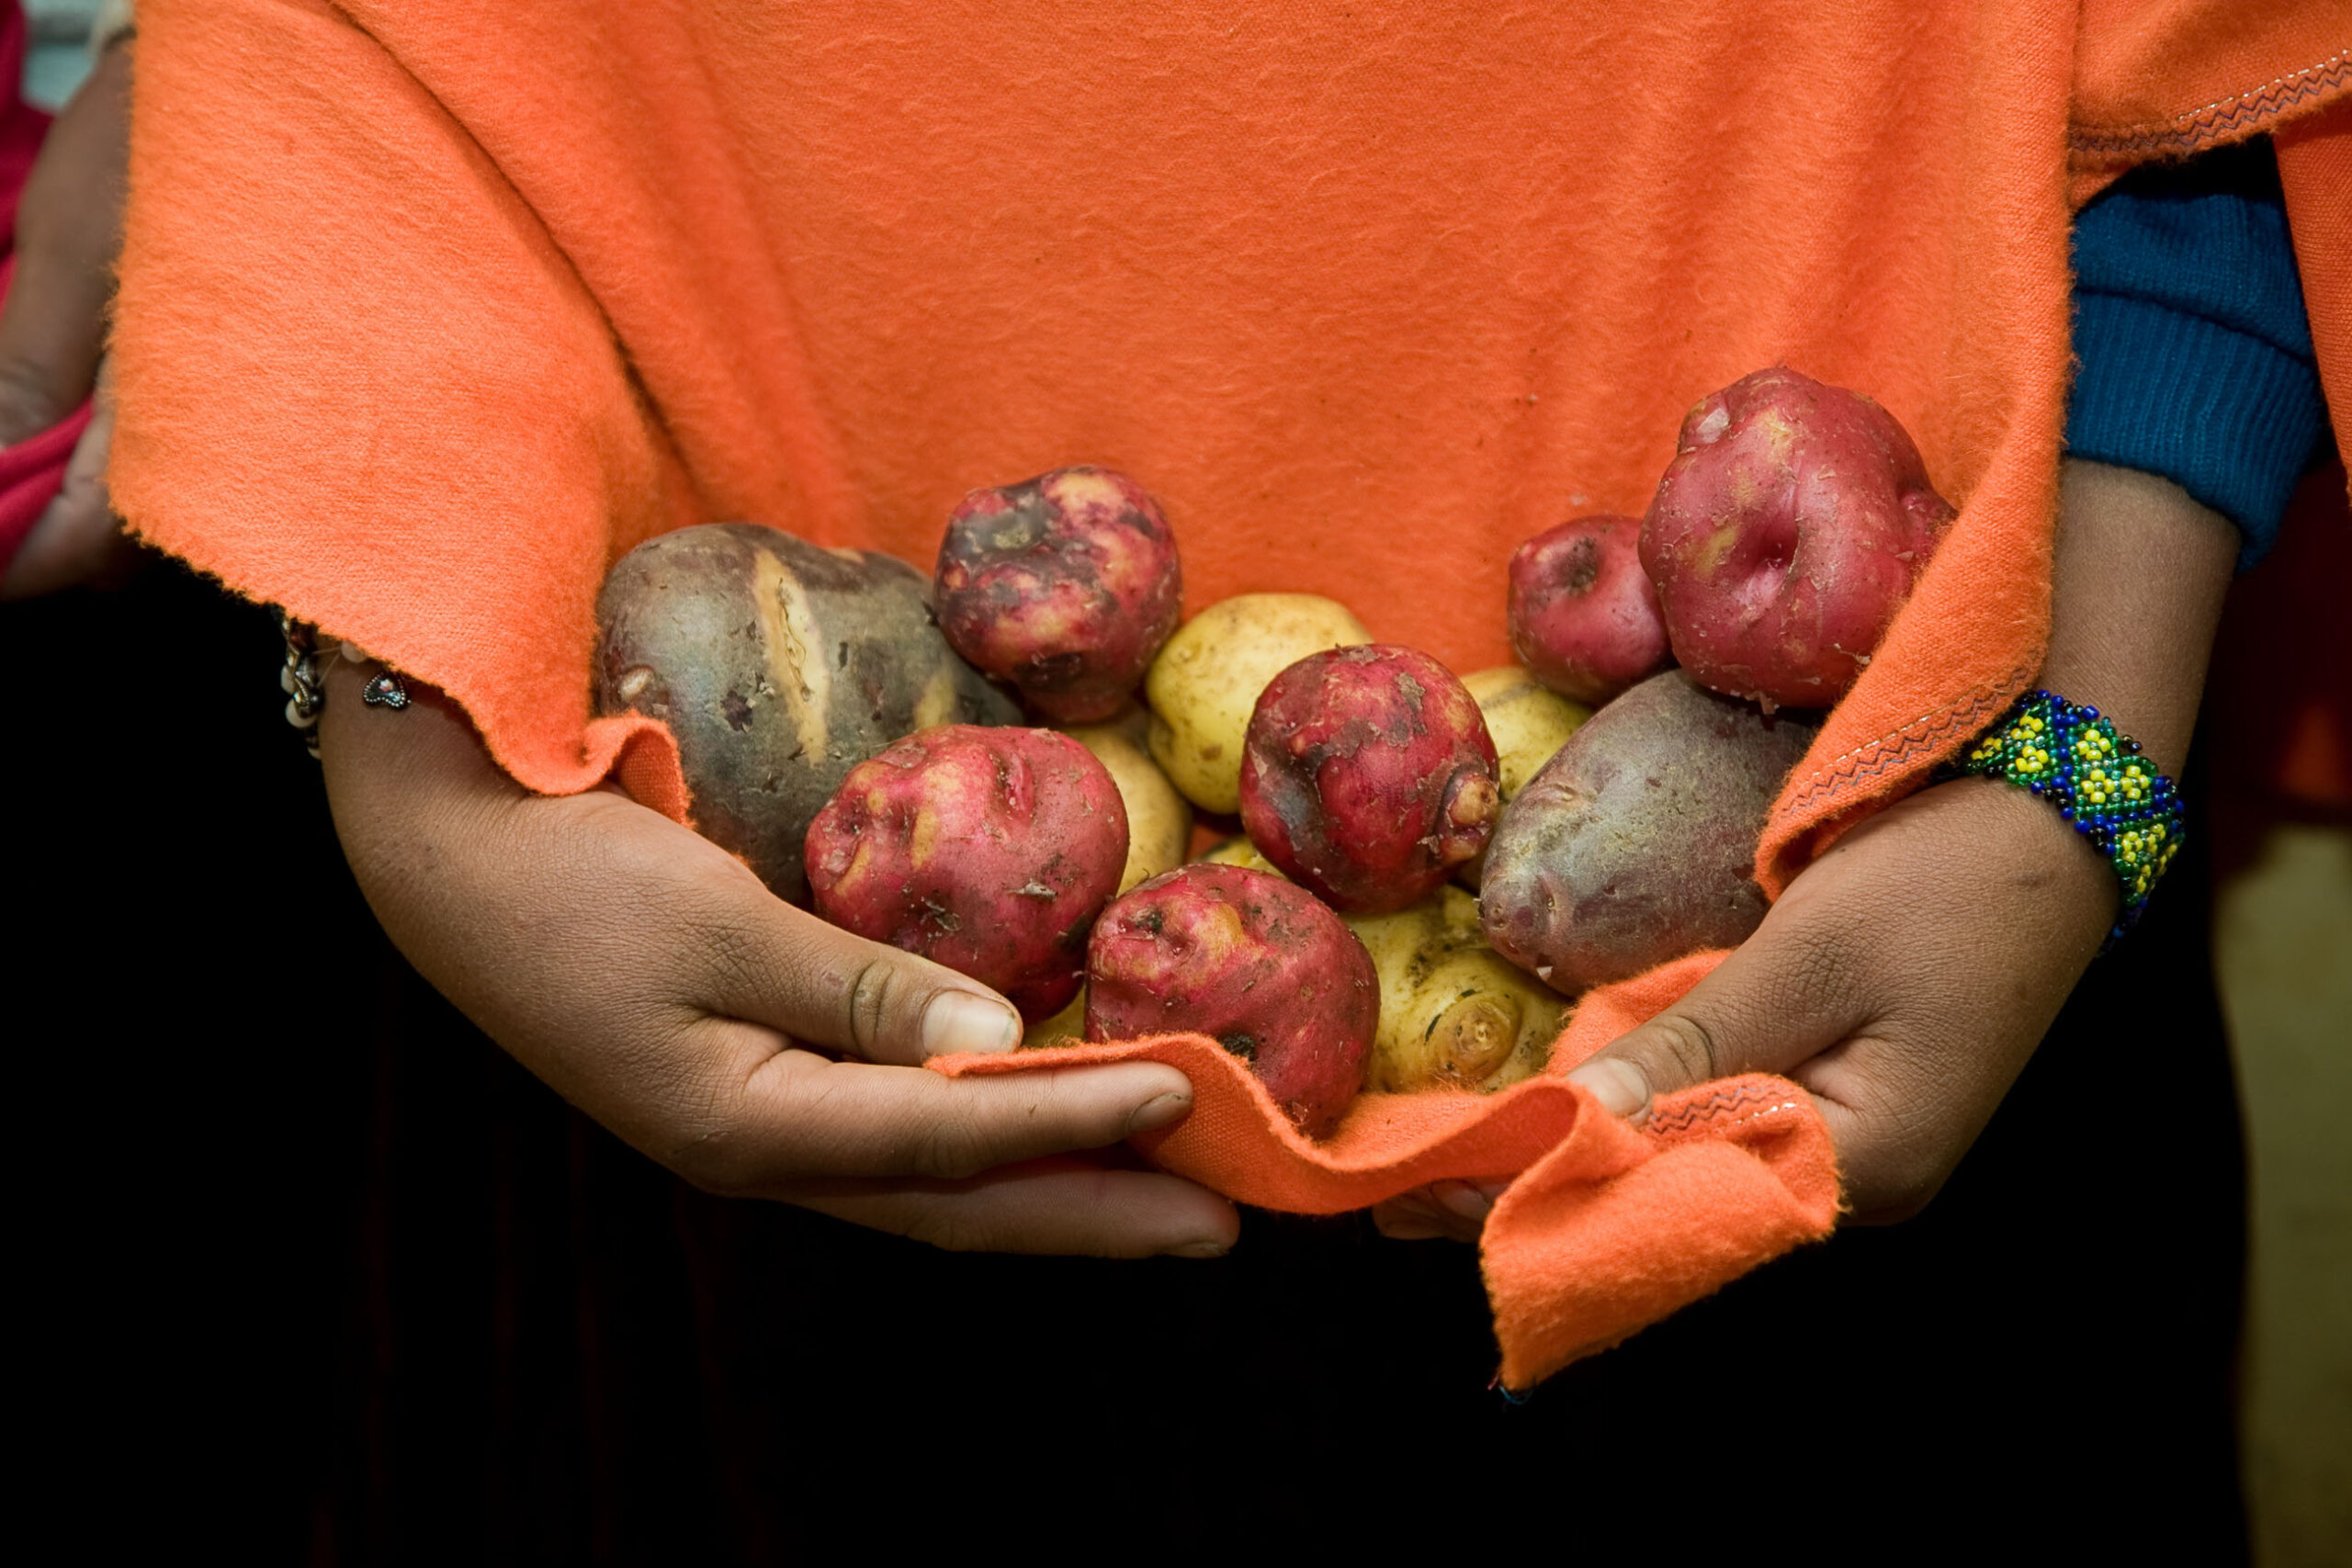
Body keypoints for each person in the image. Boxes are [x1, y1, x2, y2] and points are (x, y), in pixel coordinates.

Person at [97, 2, 2348, 1553]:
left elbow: (2222, 60)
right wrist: (398, 695)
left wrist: (2079, 769)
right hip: (662, 917)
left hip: (1880, 877)